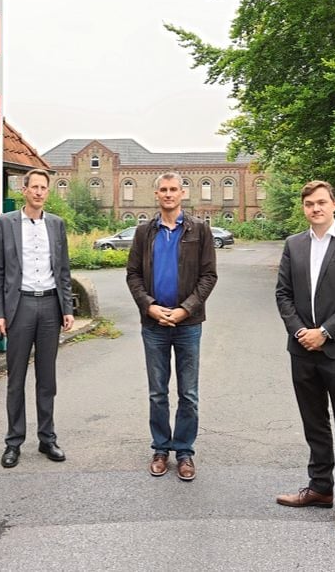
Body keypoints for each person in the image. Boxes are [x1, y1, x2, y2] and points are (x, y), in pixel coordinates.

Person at [274, 180, 335, 541]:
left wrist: (326, 332)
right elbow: (283, 293)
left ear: (334, 204)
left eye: (321, 202)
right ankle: (319, 488)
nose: (315, 209)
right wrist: (302, 331)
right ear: (304, 209)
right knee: (314, 423)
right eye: (309, 204)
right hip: (302, 350)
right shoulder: (294, 245)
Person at [126, 172, 217, 482]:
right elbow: (133, 275)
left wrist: (184, 310)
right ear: (156, 194)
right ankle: (161, 448)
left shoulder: (200, 231)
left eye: (173, 189)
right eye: (163, 190)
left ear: (182, 193)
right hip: (153, 324)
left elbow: (208, 276)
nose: (168, 194)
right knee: (157, 392)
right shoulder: (143, 233)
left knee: (188, 392)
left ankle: (185, 452)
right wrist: (149, 306)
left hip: (188, 324)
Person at [0, 168, 75, 469]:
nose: (39, 192)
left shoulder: (56, 224)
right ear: (24, 190)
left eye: (43, 187)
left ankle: (47, 438)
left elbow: (63, 270)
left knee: (47, 378)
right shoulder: (6, 224)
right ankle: (14, 442)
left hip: (50, 305)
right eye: (34, 187)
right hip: (20, 306)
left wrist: (67, 308)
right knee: (16, 378)